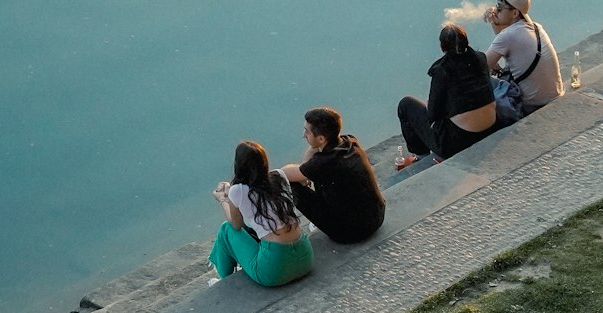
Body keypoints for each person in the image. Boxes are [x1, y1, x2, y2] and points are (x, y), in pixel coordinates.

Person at [209, 141, 314, 287]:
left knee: (226, 230)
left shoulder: (238, 191)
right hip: (305, 258)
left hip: (273, 272)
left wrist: (223, 200)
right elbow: (257, 199)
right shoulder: (279, 176)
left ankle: (224, 281)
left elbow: (236, 225)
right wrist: (230, 191)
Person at [279, 107, 386, 244]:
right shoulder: (350, 141)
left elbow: (284, 173)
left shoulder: (323, 163)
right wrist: (305, 172)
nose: (303, 135)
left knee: (289, 184)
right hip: (377, 217)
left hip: (352, 233)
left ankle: (284, 234)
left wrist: (303, 174)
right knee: (308, 176)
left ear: (322, 138)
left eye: (307, 131)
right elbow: (314, 151)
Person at [397, 24, 498, 163]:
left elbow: (433, 114)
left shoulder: (442, 71)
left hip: (457, 143)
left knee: (405, 104)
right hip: (491, 128)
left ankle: (421, 156)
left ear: (442, 47)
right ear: (466, 41)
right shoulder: (480, 58)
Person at [483, 0, 564, 113]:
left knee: (476, 79)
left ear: (515, 13)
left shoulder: (508, 36)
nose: (495, 11)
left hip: (532, 105)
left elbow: (482, 67)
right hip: (555, 95)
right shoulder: (537, 27)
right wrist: (495, 22)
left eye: (499, 8)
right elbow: (504, 40)